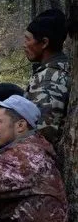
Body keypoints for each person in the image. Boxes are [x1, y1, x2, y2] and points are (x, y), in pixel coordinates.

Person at [23, 8, 70, 146]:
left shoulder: (50, 79)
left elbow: (42, 136)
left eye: (27, 39)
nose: (24, 44)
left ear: (44, 43)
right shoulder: (63, 67)